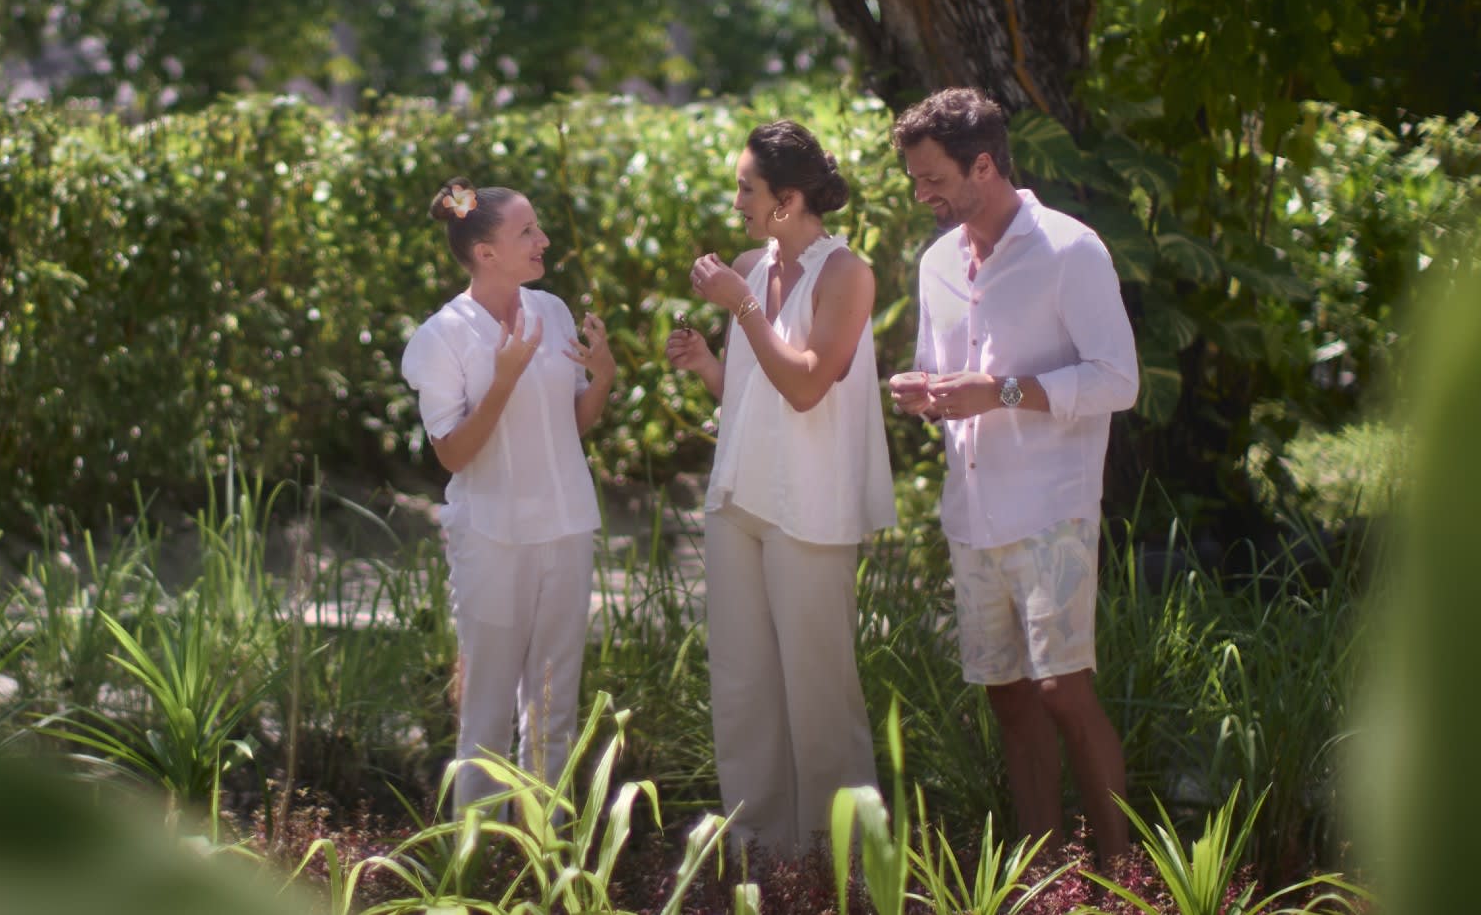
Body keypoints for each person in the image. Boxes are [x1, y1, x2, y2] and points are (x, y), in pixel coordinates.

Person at [885, 88, 1138, 861]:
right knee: (1008, 697)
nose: (921, 194)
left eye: (933, 178)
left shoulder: (1070, 250)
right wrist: (923, 394)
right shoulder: (936, 263)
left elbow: (1118, 379)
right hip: (972, 512)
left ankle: (1124, 881)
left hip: (1052, 508)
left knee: (1064, 690)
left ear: (985, 166)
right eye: (916, 179)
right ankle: (1042, 881)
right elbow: (945, 375)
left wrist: (1000, 393)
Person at [666, 121, 897, 855]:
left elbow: (804, 385)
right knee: (743, 690)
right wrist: (709, 365)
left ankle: (841, 866)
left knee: (820, 695)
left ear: (788, 199)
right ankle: (757, 857)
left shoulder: (846, 274)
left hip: (811, 506)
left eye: (747, 189)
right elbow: (753, 393)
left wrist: (741, 306)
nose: (737, 202)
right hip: (738, 498)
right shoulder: (749, 264)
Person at [400, 176, 616, 816]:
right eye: (527, 231)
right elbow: (452, 454)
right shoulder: (441, 337)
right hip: (491, 538)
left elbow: (569, 425)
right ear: (486, 252)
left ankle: (544, 854)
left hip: (566, 528)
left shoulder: (551, 311)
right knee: (486, 717)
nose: (543, 240)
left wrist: (603, 377)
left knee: (554, 710)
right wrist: (503, 379)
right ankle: (477, 858)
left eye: (538, 227)